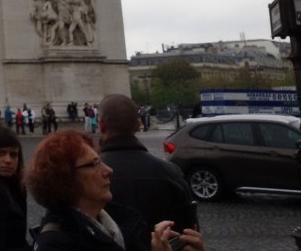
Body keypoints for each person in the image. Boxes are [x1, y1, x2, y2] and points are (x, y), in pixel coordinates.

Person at [26, 130, 206, 251]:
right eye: (93, 164)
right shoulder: (54, 245)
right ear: (65, 179)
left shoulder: (122, 223)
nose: (108, 170)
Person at [98, 94, 198, 247]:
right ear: (138, 125)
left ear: (101, 125)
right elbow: (189, 235)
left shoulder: (85, 177)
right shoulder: (172, 173)